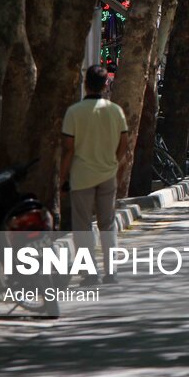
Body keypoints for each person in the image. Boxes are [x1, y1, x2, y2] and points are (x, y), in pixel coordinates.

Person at [59, 64, 128, 285]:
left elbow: (68, 149)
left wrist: (62, 177)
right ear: (105, 84)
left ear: (85, 84)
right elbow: (124, 145)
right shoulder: (115, 111)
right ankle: (111, 272)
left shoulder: (74, 112)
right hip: (108, 174)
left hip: (81, 177)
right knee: (107, 224)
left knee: (83, 226)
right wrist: (115, 166)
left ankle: (90, 273)